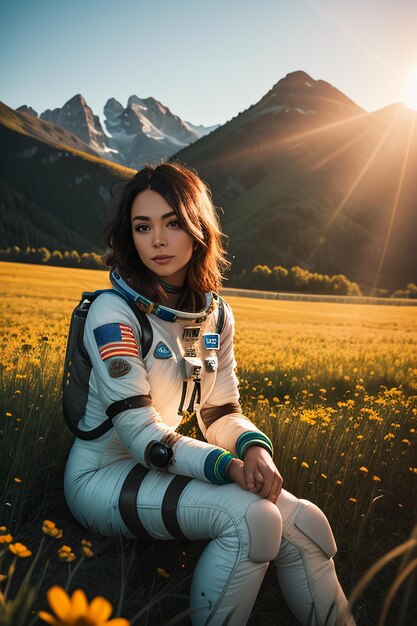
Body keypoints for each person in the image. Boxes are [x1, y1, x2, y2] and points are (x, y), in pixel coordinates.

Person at [63, 162, 355, 626]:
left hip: (165, 461)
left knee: (306, 524)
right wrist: (227, 467)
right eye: (143, 227)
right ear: (130, 236)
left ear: (198, 226)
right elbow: (140, 434)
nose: (157, 240)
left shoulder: (216, 315)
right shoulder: (111, 311)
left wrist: (253, 448)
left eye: (172, 222)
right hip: (103, 474)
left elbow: (220, 410)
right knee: (253, 522)